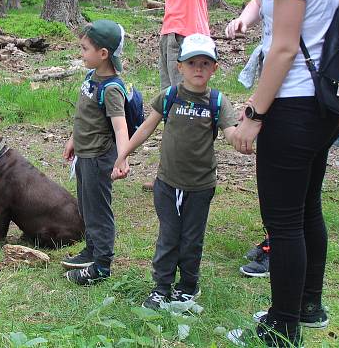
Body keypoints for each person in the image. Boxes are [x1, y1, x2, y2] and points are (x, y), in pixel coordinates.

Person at [226, 0, 339, 347]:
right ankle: (309, 306)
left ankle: (281, 326)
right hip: (324, 104)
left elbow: (283, 49)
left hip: (293, 107)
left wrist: (252, 115)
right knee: (307, 208)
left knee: (283, 222)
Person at [114, 34, 237, 308]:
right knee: (169, 236)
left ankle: (188, 287)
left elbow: (232, 134)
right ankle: (161, 287)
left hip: (200, 186)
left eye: (205, 63)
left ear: (214, 68)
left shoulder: (217, 102)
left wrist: (247, 137)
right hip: (167, 184)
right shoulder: (170, 97)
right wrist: (123, 153)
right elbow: (146, 127)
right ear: (179, 66)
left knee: (192, 239)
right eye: (192, 62)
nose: (198, 69)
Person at [61, 20, 130, 285]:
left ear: (103, 54)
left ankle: (102, 265)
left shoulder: (111, 88)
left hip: (99, 159)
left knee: (99, 210)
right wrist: (73, 140)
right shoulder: (92, 77)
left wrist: (122, 158)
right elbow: (85, 115)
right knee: (87, 206)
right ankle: (91, 250)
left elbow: (120, 126)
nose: (81, 53)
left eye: (84, 48)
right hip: (84, 154)